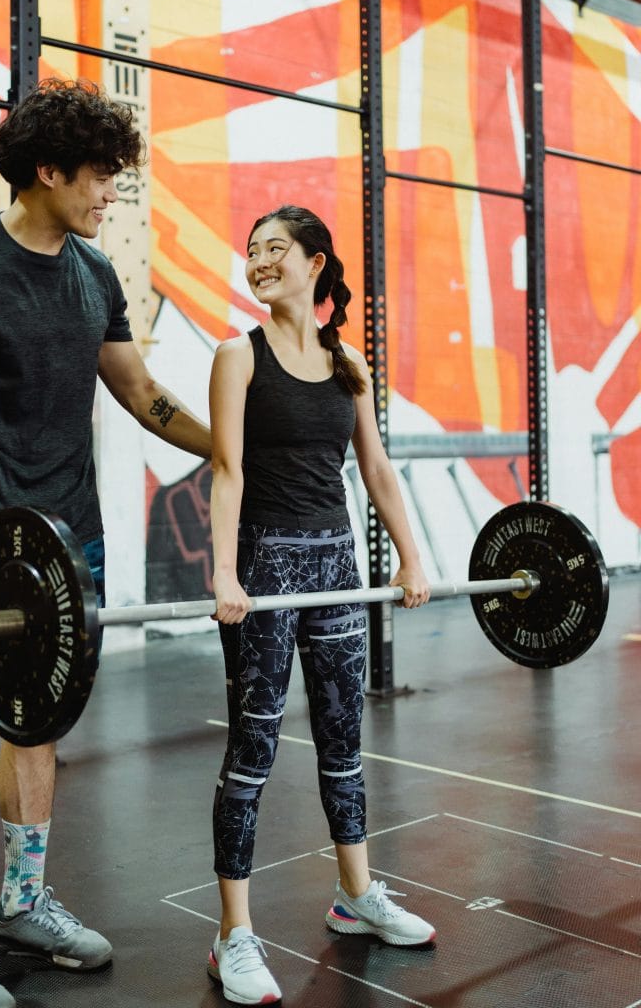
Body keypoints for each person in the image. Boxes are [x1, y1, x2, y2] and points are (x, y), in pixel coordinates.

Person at [0, 77, 211, 1008]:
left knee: (41, 722)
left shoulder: (94, 275)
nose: (111, 194)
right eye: (100, 177)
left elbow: (142, 395)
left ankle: (22, 903)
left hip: (65, 540)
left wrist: (233, 447)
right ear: (47, 170)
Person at [206, 205, 435, 1005]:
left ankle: (356, 896)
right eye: (253, 251)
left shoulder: (349, 362)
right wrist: (225, 574)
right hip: (266, 566)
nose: (260, 261)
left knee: (344, 739)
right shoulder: (237, 356)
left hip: (337, 564)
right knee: (254, 751)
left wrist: (409, 553)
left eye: (276, 249)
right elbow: (227, 471)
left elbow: (374, 468)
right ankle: (233, 935)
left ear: (313, 262)